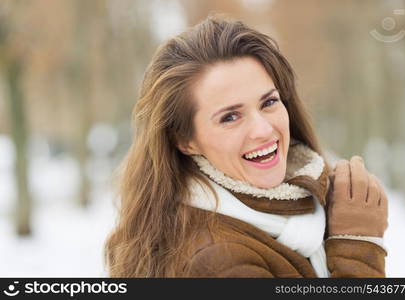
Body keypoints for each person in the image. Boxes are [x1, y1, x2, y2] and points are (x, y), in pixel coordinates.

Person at [104, 15, 388, 278]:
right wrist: (358, 246)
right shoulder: (217, 261)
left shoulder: (301, 205)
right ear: (185, 141)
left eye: (269, 102)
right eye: (230, 117)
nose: (263, 130)